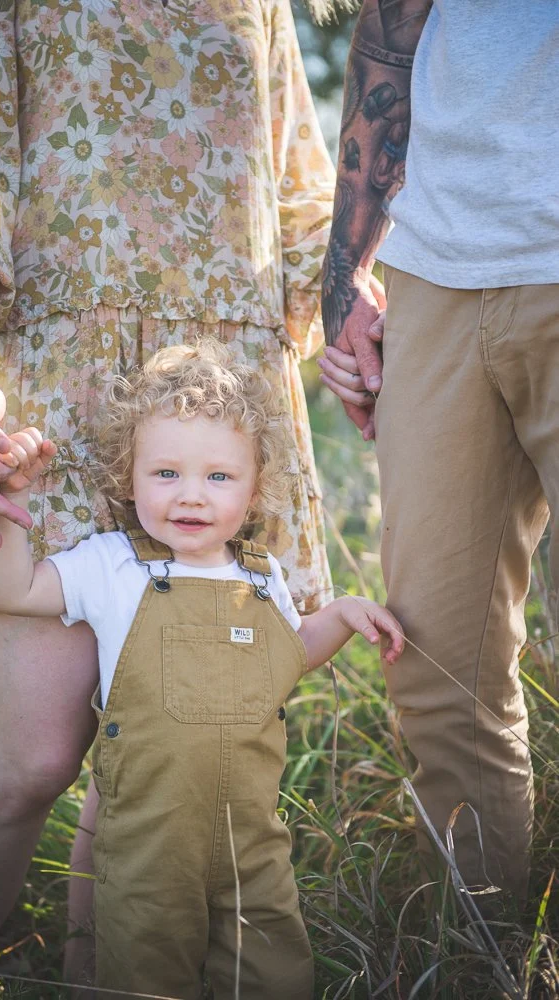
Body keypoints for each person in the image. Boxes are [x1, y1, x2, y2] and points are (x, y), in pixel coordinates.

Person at [0, 0, 339, 989]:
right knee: (32, 757)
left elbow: (304, 197)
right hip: (53, 381)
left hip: (223, 405)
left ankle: (104, 979)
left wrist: (359, 324)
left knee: (168, 751)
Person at [0, 340, 404, 999]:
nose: (191, 496)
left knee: (275, 975)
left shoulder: (264, 582)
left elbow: (284, 662)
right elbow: (15, 593)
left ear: (256, 487)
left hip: (254, 847)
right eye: (166, 474)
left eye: (218, 477)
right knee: (146, 976)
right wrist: (10, 510)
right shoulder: (112, 565)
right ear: (130, 476)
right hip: (149, 846)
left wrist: (343, 614)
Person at [318, 0, 559, 907]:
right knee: (434, 660)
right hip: (435, 272)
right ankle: (475, 948)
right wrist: (346, 278)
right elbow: (389, 40)